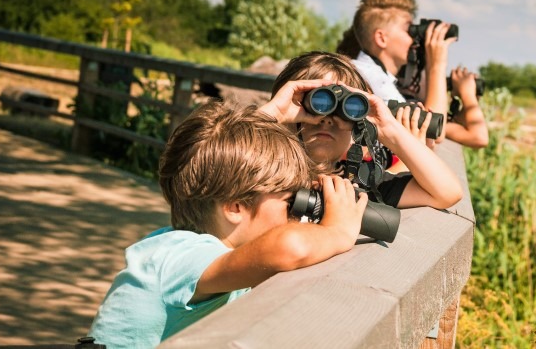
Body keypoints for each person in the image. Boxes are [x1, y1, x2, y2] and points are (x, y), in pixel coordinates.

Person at [88, 100, 367, 349]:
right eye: (290, 201)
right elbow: (287, 245)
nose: (297, 213)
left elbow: (209, 152)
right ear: (235, 207)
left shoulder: (207, 250)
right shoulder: (182, 253)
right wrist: (336, 231)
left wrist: (264, 120)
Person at [270, 51, 463, 210]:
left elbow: (448, 192)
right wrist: (273, 113)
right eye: (314, 102)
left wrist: (388, 129)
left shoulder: (359, 185)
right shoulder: (261, 168)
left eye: (342, 110)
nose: (327, 120)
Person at [342, 0, 488, 149]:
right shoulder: (368, 76)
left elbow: (441, 125)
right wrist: (436, 65)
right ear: (381, 38)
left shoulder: (379, 75)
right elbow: (434, 132)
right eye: (409, 30)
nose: (415, 40)